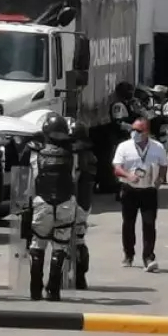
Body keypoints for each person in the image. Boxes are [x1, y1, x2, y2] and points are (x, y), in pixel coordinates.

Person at [25, 114, 77, 301]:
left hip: (42, 202)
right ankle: (53, 290)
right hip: (65, 203)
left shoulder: (35, 152)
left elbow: (26, 169)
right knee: (60, 247)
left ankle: (34, 290)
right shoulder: (72, 153)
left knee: (38, 245)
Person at [113, 118, 168, 272]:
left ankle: (149, 257)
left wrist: (161, 179)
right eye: (133, 129)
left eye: (138, 131)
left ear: (146, 132)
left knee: (149, 224)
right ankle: (128, 254)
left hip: (149, 190)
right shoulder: (124, 147)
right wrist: (128, 175)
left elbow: (164, 164)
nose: (134, 133)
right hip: (129, 189)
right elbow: (117, 168)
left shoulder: (157, 147)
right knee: (128, 224)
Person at [71, 120, 97, 291]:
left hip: (72, 202)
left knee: (61, 241)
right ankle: (80, 278)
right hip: (84, 203)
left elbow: (75, 179)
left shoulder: (73, 155)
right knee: (79, 241)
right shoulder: (90, 155)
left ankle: (74, 277)